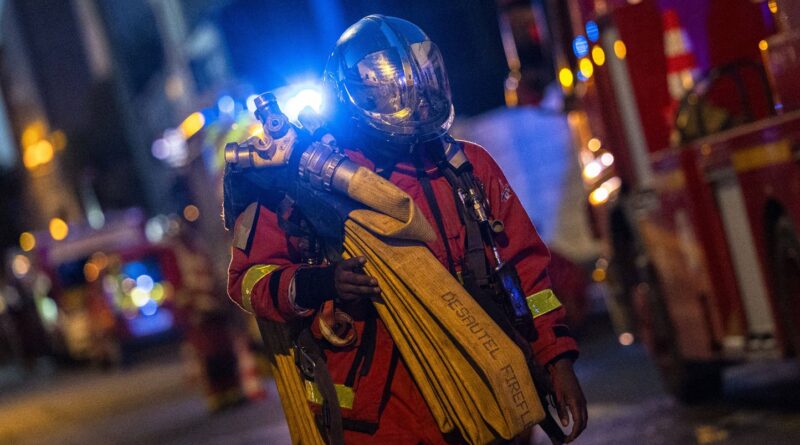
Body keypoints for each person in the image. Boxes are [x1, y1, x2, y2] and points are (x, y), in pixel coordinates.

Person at [227, 15, 586, 444]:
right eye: (392, 91)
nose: (414, 105)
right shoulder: (307, 184)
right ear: (353, 95)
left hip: (488, 389)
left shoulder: (467, 167)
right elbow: (249, 280)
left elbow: (526, 271)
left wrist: (556, 358)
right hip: (382, 415)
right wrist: (321, 283)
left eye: (421, 89)